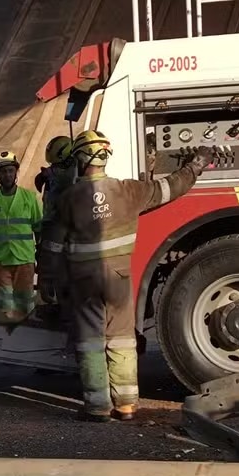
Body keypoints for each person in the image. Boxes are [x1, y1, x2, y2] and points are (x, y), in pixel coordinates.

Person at [38, 130, 213, 422]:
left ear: (80, 159)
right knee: (121, 338)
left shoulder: (68, 200)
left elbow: (52, 246)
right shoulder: (129, 191)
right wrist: (196, 165)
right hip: (118, 277)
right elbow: (171, 187)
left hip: (84, 280)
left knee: (91, 341)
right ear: (105, 156)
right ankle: (127, 405)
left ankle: (97, 407)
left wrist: (47, 281)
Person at [0, 151, 43, 324]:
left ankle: (23, 342)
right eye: (3, 171)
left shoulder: (29, 198)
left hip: (24, 261)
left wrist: (42, 258)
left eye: (11, 171)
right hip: (0, 262)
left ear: (16, 172)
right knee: (4, 308)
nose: (7, 175)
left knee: (25, 307)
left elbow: (39, 229)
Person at [34, 136, 78, 340]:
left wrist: (47, 173)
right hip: (53, 233)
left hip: (59, 235)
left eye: (55, 163)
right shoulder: (61, 173)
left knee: (57, 289)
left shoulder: (69, 173)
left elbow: (64, 177)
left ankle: (63, 339)